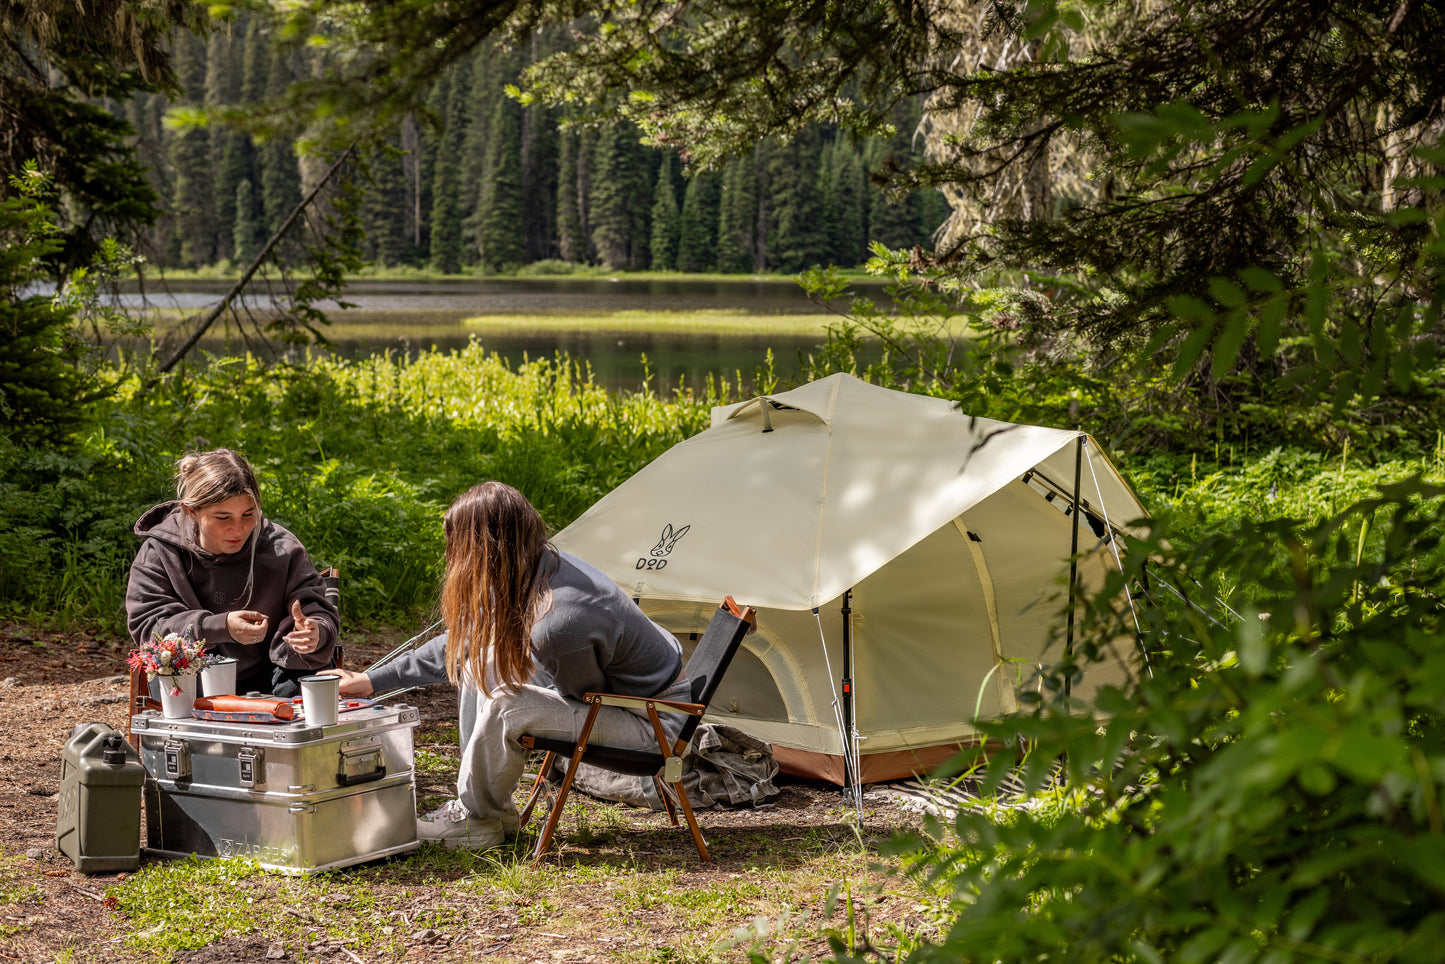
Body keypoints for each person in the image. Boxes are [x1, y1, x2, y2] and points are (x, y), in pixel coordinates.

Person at [323, 480, 690, 851]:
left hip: (652, 725)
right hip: (625, 701)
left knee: (505, 704)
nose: (451, 558)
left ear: (485, 548)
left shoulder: (560, 622)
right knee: (480, 665)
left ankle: (477, 818)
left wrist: (510, 695)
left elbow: (584, 698)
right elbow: (464, 644)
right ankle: (488, 813)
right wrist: (370, 680)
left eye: (457, 547)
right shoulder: (537, 565)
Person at [126, 448, 339, 699]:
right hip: (192, 680)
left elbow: (316, 610)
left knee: (308, 683)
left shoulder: (282, 549)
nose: (237, 528)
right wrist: (219, 626)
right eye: (223, 517)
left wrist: (315, 632)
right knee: (168, 672)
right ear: (191, 510)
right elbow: (149, 628)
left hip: (269, 680)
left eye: (248, 515)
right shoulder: (161, 551)